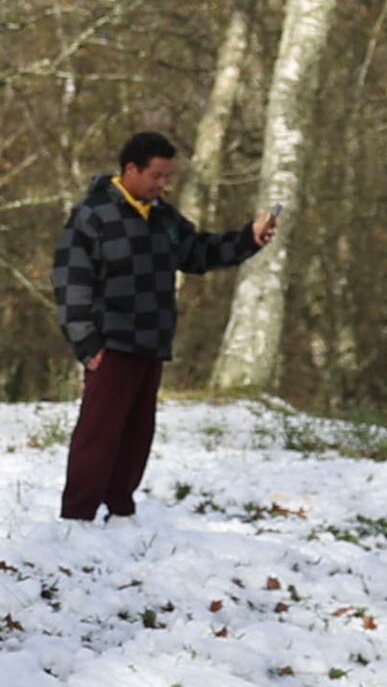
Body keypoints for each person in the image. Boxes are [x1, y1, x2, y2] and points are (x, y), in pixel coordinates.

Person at [48, 130, 277, 522]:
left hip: (151, 344)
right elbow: (71, 282)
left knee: (137, 436)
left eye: (166, 177)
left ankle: (120, 510)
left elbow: (201, 252)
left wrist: (249, 239)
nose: (161, 184)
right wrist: (87, 344)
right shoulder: (93, 215)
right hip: (110, 345)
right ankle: (77, 517)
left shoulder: (164, 219)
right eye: (155, 176)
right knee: (97, 436)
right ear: (130, 169)